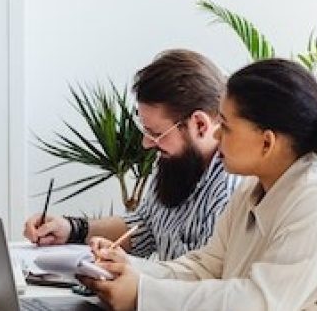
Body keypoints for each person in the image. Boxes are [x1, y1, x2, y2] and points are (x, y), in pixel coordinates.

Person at [81, 59, 317, 310]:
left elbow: (258, 302)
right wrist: (130, 269)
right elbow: (208, 267)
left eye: (225, 126)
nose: (214, 134)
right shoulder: (257, 187)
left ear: (267, 142)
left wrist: (142, 293)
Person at [23, 49, 239, 261]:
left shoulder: (231, 192)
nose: (146, 144)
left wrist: (132, 278)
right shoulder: (175, 162)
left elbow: (204, 284)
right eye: (145, 131)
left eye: (156, 133)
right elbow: (143, 226)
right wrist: (72, 229)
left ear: (200, 124)